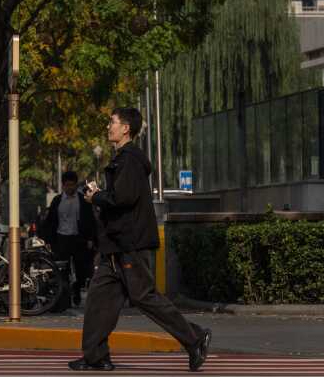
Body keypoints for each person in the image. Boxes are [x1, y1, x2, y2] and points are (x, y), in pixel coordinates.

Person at [69, 108, 212, 372]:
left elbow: (122, 198)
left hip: (129, 244)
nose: (108, 126)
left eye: (112, 122)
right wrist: (101, 195)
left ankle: (195, 338)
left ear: (126, 129)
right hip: (115, 245)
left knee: (144, 297)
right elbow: (120, 197)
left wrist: (96, 197)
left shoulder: (130, 160)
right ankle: (96, 356)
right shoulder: (122, 159)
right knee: (99, 300)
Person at [39, 170, 96, 306]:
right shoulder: (57, 201)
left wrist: (91, 239)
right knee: (62, 271)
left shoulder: (83, 200)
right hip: (61, 239)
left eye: (73, 185)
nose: (70, 188)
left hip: (79, 239)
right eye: (67, 185)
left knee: (81, 270)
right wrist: (48, 240)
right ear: (63, 186)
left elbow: (90, 220)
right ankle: (65, 298)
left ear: (76, 185)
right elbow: (51, 221)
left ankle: (77, 287)